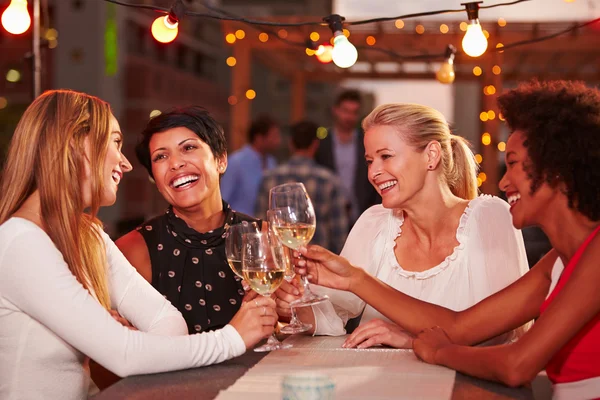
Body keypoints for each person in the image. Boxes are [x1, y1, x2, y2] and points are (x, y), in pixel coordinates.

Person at [294, 80, 600, 398]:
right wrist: (353, 279)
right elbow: (458, 328)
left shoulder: (595, 252)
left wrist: (431, 350)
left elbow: (515, 364)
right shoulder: (559, 260)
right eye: (371, 160)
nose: (505, 180)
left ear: (558, 171)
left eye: (512, 164)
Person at [0, 90, 277, 400]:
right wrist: (234, 337)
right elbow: (125, 355)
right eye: (116, 143)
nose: (126, 163)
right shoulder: (20, 241)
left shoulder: (87, 236)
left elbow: (167, 323)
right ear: (76, 145)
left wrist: (133, 344)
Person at [277, 103, 530, 346]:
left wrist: (411, 339)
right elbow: (332, 318)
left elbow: (505, 331)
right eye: (369, 160)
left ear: (431, 156)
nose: (373, 172)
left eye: (385, 156)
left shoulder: (489, 218)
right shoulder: (374, 223)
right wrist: (295, 306)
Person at [116, 106, 263, 334]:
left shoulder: (263, 237)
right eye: (161, 157)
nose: (175, 164)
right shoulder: (133, 249)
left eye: (188, 148)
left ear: (221, 160)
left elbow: (299, 322)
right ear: (154, 177)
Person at [255, 120, 350, 254]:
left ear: (290, 143)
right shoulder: (329, 180)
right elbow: (339, 232)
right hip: (317, 262)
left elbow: (261, 226)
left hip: (280, 261)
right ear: (315, 144)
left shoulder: (269, 178)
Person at [315, 89, 380, 225]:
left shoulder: (367, 142)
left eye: (354, 112)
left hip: (362, 217)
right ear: (335, 110)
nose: (349, 117)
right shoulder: (322, 145)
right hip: (329, 218)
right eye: (345, 111)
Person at [220, 114, 281, 215]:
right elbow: (223, 199)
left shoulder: (272, 162)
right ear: (259, 138)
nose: (278, 141)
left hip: (266, 226)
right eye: (274, 136)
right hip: (239, 226)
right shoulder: (236, 162)